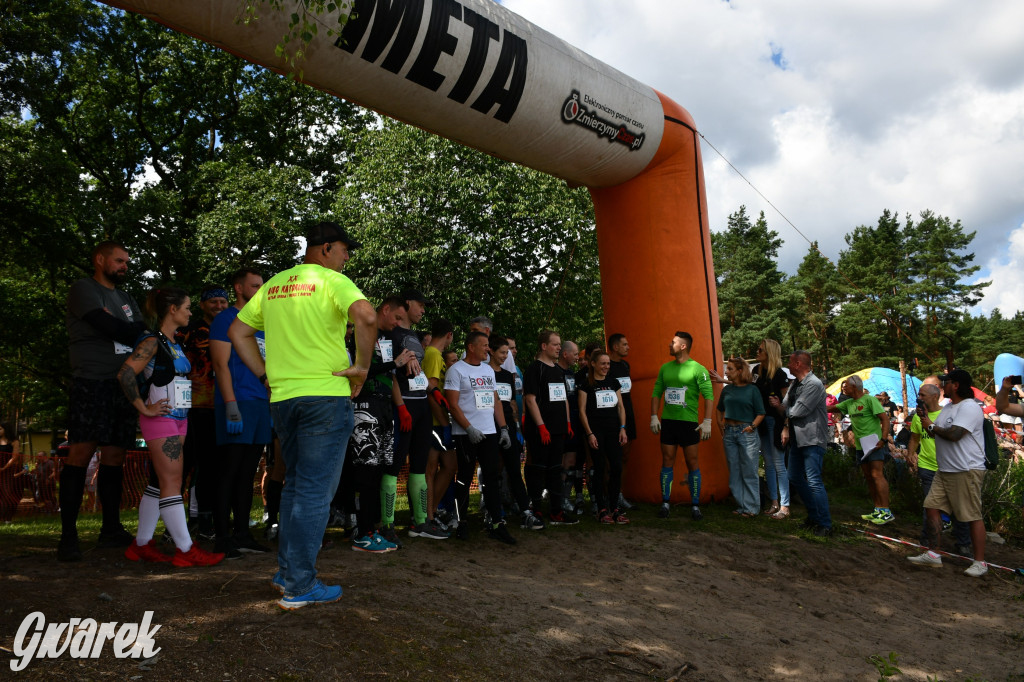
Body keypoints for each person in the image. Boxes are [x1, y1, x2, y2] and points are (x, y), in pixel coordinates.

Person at [228, 220, 377, 609]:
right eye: (345, 249)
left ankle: (287, 572)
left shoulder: (275, 284)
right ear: (326, 249)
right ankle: (300, 584)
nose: (347, 257)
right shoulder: (330, 281)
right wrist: (362, 367)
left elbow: (238, 333)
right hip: (324, 398)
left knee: (295, 486)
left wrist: (263, 373)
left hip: (283, 399)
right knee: (313, 492)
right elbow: (366, 315)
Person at [117, 286, 224, 567]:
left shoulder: (173, 342)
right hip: (160, 419)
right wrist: (143, 407)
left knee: (160, 482)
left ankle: (141, 544)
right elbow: (126, 372)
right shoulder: (151, 341)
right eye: (187, 307)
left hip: (179, 418)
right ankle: (186, 549)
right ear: (173, 310)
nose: (191, 312)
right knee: (172, 483)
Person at [60, 241, 147, 561]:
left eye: (127, 261)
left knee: (115, 456)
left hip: (122, 384)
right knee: (80, 455)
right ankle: (68, 536)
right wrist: (128, 331)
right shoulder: (83, 289)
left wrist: (130, 331)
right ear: (100, 259)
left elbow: (139, 330)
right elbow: (112, 327)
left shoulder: (125, 298)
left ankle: (110, 529)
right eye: (119, 260)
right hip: (91, 381)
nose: (125, 266)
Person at [210, 269, 273, 558]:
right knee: (229, 469)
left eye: (262, 286)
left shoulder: (262, 325)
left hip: (260, 403)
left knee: (248, 471)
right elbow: (221, 366)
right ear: (238, 287)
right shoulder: (225, 320)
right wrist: (231, 404)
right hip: (237, 403)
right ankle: (221, 536)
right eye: (255, 285)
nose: (260, 290)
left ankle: (243, 534)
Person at [908, 369, 988, 577]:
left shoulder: (970, 407)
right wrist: (926, 420)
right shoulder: (949, 407)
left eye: (947, 382)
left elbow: (954, 435)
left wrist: (931, 426)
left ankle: (980, 562)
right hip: (945, 470)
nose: (944, 386)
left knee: (971, 515)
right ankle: (934, 554)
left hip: (966, 469)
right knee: (931, 507)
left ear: (957, 385)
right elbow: (935, 434)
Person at [444, 331, 516, 544]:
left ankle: (496, 523)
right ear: (471, 347)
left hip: (490, 433)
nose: (487, 349)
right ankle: (461, 521)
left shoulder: (487, 370)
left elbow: (495, 401)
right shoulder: (456, 370)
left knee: (492, 478)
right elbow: (452, 404)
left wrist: (503, 428)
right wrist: (468, 429)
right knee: (464, 478)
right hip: (466, 435)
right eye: (484, 345)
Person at [177, 285, 228, 539]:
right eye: (213, 302)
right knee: (190, 465)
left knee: (215, 465)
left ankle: (210, 518)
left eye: (222, 301)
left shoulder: (232, 329)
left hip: (224, 404)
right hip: (194, 406)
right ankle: (190, 520)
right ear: (201, 305)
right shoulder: (188, 331)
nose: (219, 306)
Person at [650, 331, 714, 521]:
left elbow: (708, 396)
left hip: (689, 424)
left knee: (692, 462)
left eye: (673, 342)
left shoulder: (698, 369)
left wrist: (708, 421)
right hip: (669, 422)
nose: (670, 345)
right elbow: (656, 393)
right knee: (667, 460)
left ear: (683, 346)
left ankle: (695, 505)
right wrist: (654, 416)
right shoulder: (665, 368)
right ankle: (665, 503)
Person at [385, 289, 433, 543]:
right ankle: (387, 524)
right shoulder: (390, 334)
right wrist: (400, 406)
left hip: (422, 405)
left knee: (419, 465)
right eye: (420, 304)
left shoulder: (413, 335)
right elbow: (390, 373)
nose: (423, 309)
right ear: (406, 304)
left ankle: (420, 521)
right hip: (402, 408)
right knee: (393, 466)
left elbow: (418, 371)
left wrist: (432, 393)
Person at [771, 350, 832, 537]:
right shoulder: (796, 384)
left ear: (798, 364)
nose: (788, 366)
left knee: (813, 481)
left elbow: (795, 411)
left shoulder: (813, 385)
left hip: (813, 439)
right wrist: (782, 408)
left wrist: (783, 408)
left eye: (790, 362)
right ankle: (814, 517)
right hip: (799, 439)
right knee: (794, 477)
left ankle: (825, 524)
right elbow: (786, 407)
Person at [908, 383, 972, 557]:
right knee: (930, 506)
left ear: (935, 396)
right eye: (919, 395)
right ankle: (927, 541)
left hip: (951, 466)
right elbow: (915, 437)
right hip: (927, 466)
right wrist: (910, 455)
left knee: (958, 507)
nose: (919, 398)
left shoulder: (948, 414)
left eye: (923, 395)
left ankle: (963, 543)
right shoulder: (918, 417)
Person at [488, 334, 542, 530]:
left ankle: (526, 511)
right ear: (491, 352)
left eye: (507, 353)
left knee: (514, 469)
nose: (505, 356)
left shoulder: (507, 375)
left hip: (509, 426)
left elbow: (511, 403)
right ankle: (491, 511)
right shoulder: (484, 373)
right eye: (502, 352)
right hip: (489, 427)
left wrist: (516, 426)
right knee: (492, 470)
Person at [523, 330, 576, 525]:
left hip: (559, 430)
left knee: (556, 470)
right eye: (555, 344)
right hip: (540, 432)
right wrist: (541, 426)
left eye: (560, 344)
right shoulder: (535, 369)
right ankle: (535, 511)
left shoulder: (557, 370)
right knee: (538, 469)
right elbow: (530, 400)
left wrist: (568, 422)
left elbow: (564, 399)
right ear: (544, 346)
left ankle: (556, 511)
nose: (559, 348)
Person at [828, 375, 894, 524]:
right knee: (869, 476)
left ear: (855, 387)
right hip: (860, 445)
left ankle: (886, 511)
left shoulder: (870, 400)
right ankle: (877, 509)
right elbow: (831, 408)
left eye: (846, 386)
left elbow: (884, 418)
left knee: (877, 475)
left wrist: (883, 439)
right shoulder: (849, 403)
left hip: (875, 443)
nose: (844, 388)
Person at [577, 349, 628, 524]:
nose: (606, 366)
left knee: (616, 467)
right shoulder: (586, 384)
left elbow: (621, 407)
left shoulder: (613, 383)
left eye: (608, 363)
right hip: (596, 432)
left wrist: (622, 428)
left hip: (614, 430)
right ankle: (601, 509)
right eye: (603, 363)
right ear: (593, 364)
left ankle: (614, 508)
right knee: (598, 468)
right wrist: (589, 433)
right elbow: (582, 411)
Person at [419, 317, 457, 538]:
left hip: (439, 421)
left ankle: (430, 513)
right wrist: (443, 424)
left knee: (449, 466)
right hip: (434, 422)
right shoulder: (433, 354)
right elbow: (430, 389)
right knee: (430, 470)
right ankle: (427, 518)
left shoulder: (434, 354)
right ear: (449, 335)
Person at [715, 357, 765, 517]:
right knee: (734, 470)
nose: (726, 372)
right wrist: (719, 422)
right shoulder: (727, 390)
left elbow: (761, 412)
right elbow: (719, 408)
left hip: (746, 432)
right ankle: (742, 505)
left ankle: (752, 508)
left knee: (749, 470)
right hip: (729, 432)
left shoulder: (752, 390)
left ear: (740, 371)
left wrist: (752, 426)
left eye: (729, 369)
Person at [607, 333, 636, 509]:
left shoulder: (625, 365)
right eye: (624, 344)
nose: (628, 347)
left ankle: (619, 495)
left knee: (624, 457)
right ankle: (604, 496)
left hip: (628, 415)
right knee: (609, 459)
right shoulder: (606, 366)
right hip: (610, 418)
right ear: (615, 347)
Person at [557, 340, 583, 513]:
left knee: (571, 461)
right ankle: (557, 498)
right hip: (559, 424)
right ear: (565, 354)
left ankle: (566, 498)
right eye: (575, 354)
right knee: (559, 462)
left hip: (574, 423)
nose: (577, 357)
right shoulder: (554, 372)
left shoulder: (572, 373)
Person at [0, 423, 20, 522]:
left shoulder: (14, 441)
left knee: (6, 494)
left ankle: (7, 518)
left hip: (7, 471)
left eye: (0, 429)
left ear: (6, 429)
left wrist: (4, 468)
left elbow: (15, 457)